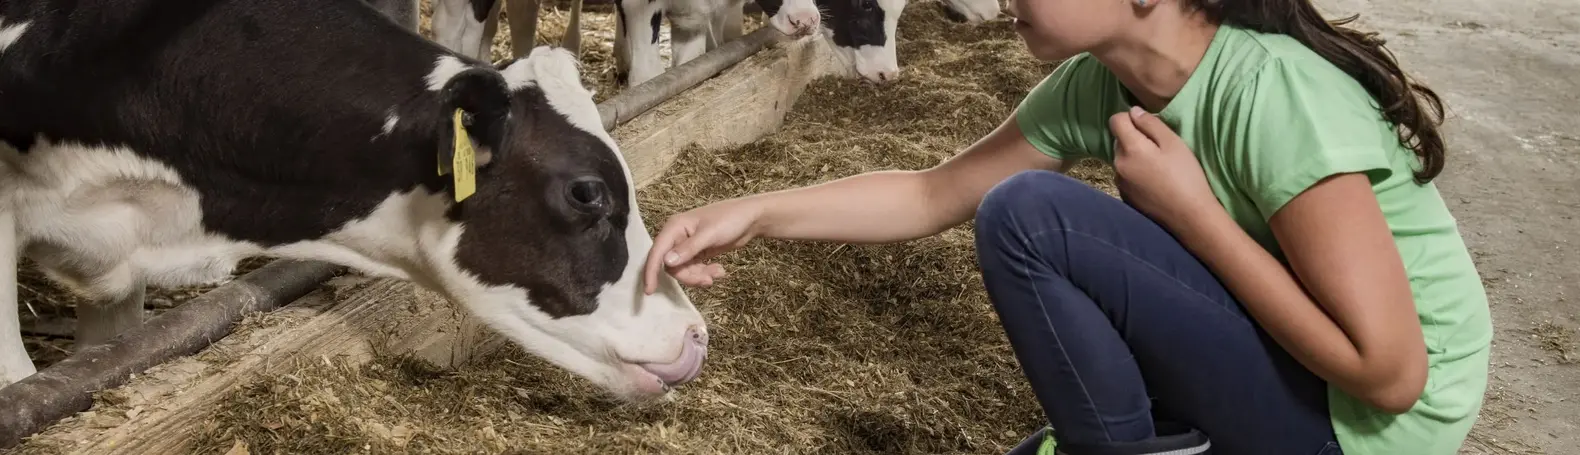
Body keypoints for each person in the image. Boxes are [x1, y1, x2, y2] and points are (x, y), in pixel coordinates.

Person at [638, 0, 1494, 453]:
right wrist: (755, 211)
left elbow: (1391, 376)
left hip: (1367, 431)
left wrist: (1194, 216)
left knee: (1034, 214)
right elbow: (934, 193)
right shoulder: (1100, 83)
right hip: (1293, 368)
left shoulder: (1273, 94)